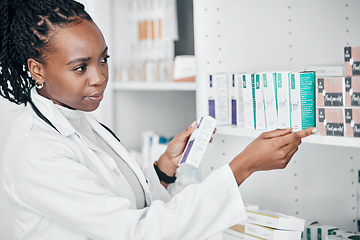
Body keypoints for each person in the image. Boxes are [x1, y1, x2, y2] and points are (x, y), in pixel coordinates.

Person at [0, 0, 317, 239]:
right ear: (37, 69)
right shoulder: (35, 149)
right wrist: (242, 167)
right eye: (80, 67)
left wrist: (164, 168)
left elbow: (121, 202)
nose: (99, 78)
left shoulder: (77, 117)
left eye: (104, 59)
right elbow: (134, 232)